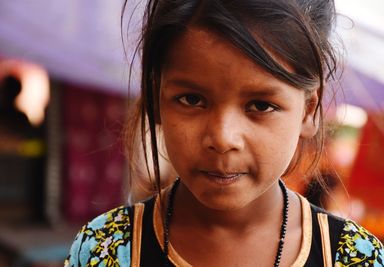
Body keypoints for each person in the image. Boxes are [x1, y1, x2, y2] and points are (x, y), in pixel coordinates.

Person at [65, 0, 384, 266]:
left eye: (260, 105)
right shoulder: (106, 249)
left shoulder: (352, 256)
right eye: (192, 99)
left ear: (309, 111)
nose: (222, 138)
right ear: (156, 99)